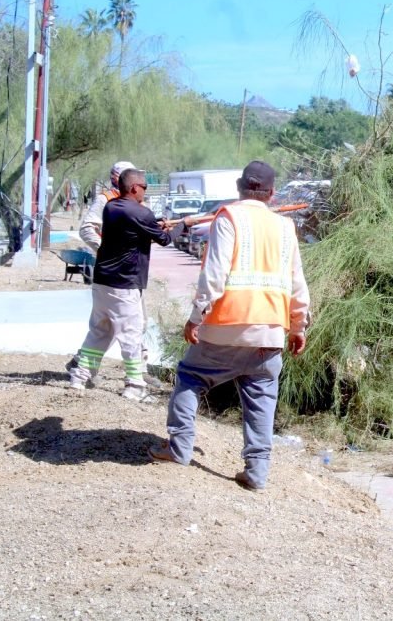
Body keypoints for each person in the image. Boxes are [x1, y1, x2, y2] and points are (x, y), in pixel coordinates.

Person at [149, 161, 310, 492]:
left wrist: (196, 317)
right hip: (270, 331)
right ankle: (257, 472)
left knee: (191, 377)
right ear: (272, 193)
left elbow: (215, 274)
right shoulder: (285, 227)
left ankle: (179, 447)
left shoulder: (229, 218)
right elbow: (298, 283)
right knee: (262, 397)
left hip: (225, 327)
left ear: (239, 188)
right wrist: (298, 326)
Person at [68, 169, 174, 400]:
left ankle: (79, 376)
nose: (145, 191)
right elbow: (164, 240)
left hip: (102, 281)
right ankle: (135, 386)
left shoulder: (111, 207)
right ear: (134, 187)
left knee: (100, 331)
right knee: (131, 335)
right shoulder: (142, 212)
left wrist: (155, 225)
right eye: (144, 187)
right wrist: (173, 228)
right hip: (124, 284)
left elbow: (134, 229)